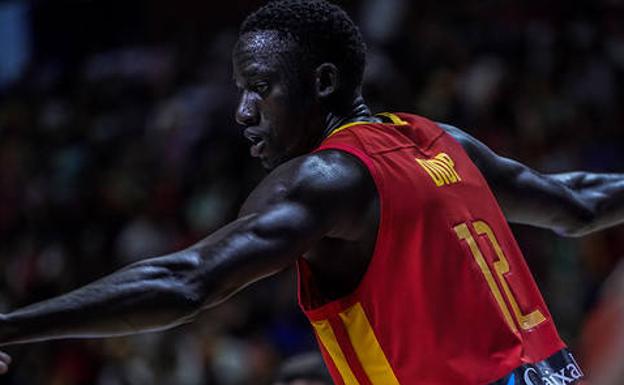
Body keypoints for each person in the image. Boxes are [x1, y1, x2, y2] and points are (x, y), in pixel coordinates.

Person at [0, 0, 623, 383]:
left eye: (260, 87)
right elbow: (580, 204)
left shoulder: (326, 178)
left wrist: (10, 327)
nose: (243, 111)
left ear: (322, 82)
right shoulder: (440, 139)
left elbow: (186, 280)